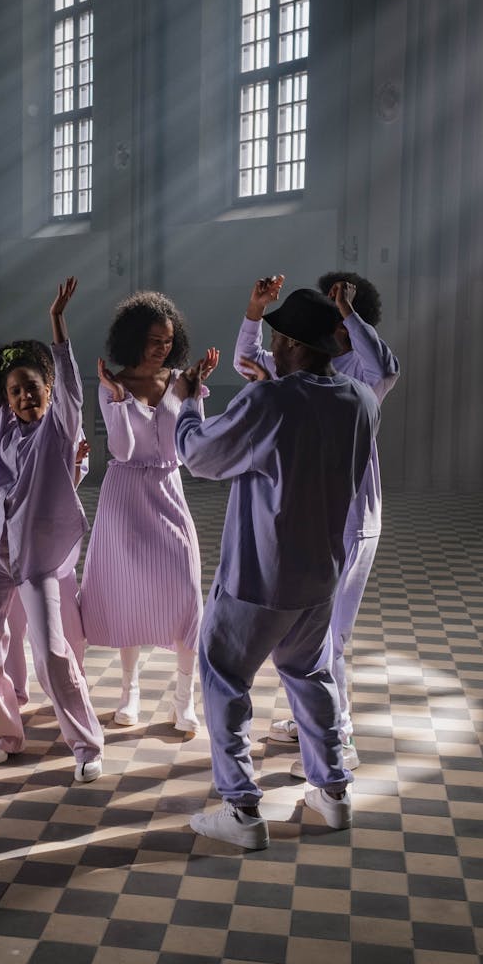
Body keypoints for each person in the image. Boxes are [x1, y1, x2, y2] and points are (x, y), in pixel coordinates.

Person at [175, 288, 380, 850]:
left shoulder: (271, 401)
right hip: (322, 576)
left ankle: (242, 810)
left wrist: (188, 403)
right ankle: (333, 794)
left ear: (289, 343)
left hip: (258, 576)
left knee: (223, 675)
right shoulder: (362, 399)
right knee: (311, 676)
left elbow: (199, 456)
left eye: (277, 337)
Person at [235, 272, 399, 775]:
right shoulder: (295, 366)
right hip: (311, 518)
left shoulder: (363, 375)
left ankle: (339, 737)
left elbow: (386, 365)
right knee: (306, 634)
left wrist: (350, 314)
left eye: (341, 308)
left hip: (350, 521)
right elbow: (249, 360)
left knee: (330, 636)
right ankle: (312, 721)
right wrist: (254, 311)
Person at [0, 272, 104, 782]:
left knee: (54, 653)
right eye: (14, 390)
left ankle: (86, 746)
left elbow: (72, 388)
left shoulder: (59, 428)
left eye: (32, 388)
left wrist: (57, 321)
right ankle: (3, 733)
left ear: (48, 389)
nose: (23, 397)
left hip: (37, 557)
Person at [79, 291, 219, 730]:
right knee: (129, 593)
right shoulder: (111, 384)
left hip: (168, 489)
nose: (163, 347)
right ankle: (130, 693)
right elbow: (121, 448)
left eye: (168, 340)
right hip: (124, 494)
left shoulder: (183, 380)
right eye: (155, 340)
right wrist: (119, 398)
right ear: (135, 339)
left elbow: (193, 438)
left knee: (186, 594)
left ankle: (184, 699)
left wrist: (193, 393)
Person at [4, 437, 90, 705]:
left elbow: (72, 483)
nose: (25, 396)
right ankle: (15, 691)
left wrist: (75, 461)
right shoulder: (5, 428)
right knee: (13, 619)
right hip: (15, 536)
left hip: (54, 537)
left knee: (67, 619)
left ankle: (71, 686)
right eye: (16, 391)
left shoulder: (64, 425)